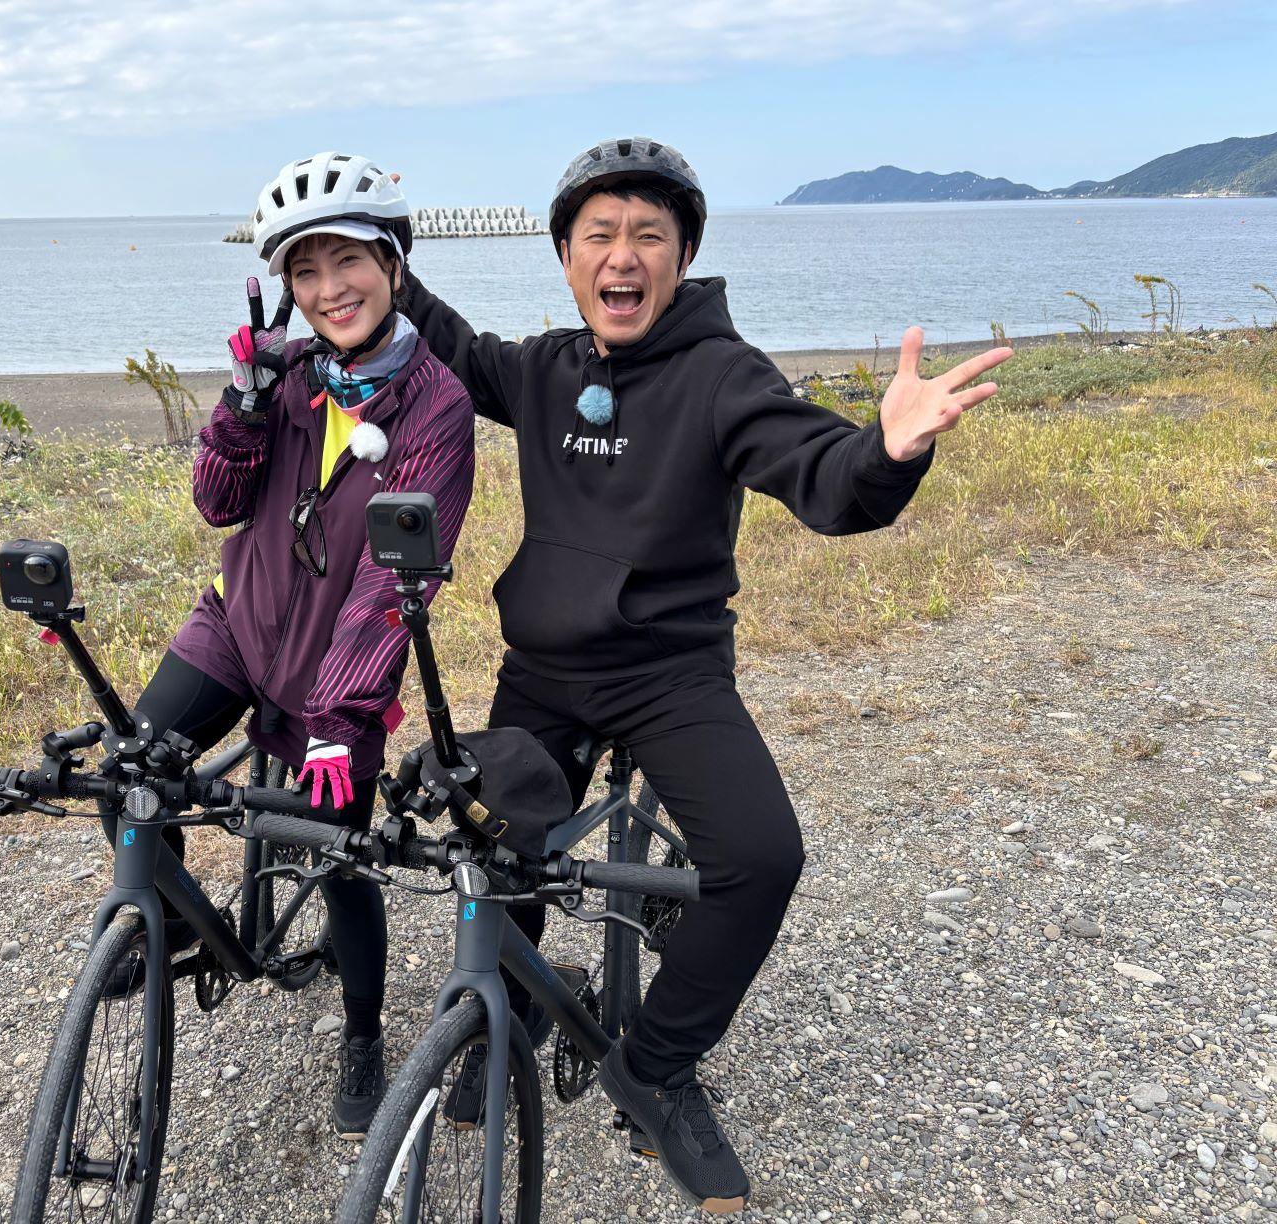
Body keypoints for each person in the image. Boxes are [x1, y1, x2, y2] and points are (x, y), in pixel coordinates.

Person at [402, 137, 1011, 1212]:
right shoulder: (545, 369)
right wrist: (375, 258)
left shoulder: (725, 376)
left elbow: (825, 477)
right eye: (600, 237)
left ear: (682, 258)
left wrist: (890, 450)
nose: (622, 256)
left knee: (763, 859)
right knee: (499, 840)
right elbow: (451, 343)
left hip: (668, 673)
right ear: (567, 258)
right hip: (543, 666)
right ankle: (513, 1007)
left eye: (648, 236)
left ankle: (656, 1064)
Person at [125, 151, 475, 1138]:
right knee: (132, 768)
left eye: (347, 261)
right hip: (238, 626)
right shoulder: (283, 375)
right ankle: (163, 922)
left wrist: (342, 716)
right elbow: (217, 505)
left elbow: (390, 583)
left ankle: (363, 1031)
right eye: (305, 271)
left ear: (394, 263)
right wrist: (237, 404)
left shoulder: (436, 404)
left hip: (338, 666)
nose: (329, 289)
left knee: (339, 855)